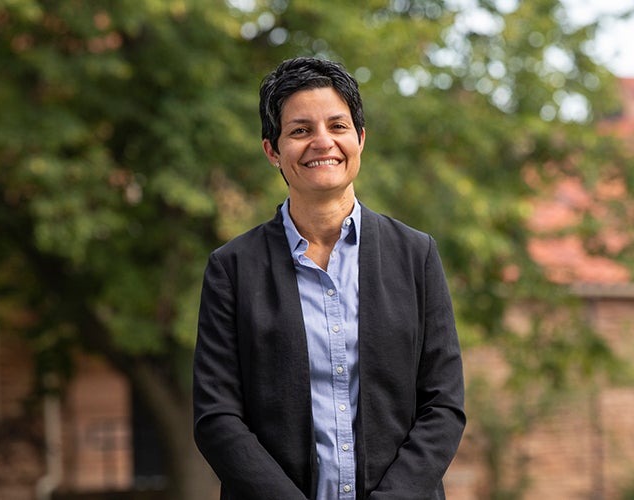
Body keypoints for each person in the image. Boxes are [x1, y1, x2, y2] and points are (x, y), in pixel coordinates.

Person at [193, 57, 466, 500]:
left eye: (337, 126)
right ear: (272, 150)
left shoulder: (417, 255)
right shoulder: (232, 268)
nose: (323, 143)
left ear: (359, 139)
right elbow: (217, 418)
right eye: (300, 130)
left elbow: (443, 406)